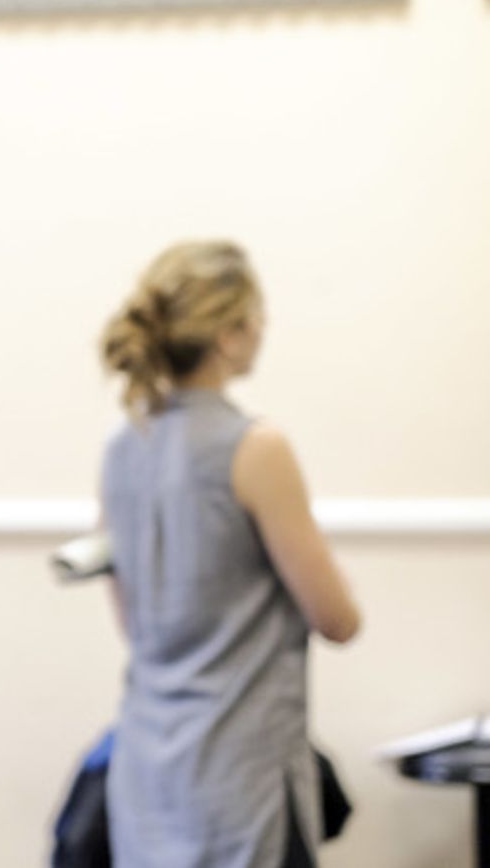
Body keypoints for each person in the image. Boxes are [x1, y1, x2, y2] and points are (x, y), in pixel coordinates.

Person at [97, 240, 360, 868]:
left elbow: (133, 625)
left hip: (147, 778)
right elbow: (338, 620)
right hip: (241, 781)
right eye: (257, 315)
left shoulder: (124, 447)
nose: (264, 328)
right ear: (230, 334)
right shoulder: (256, 449)